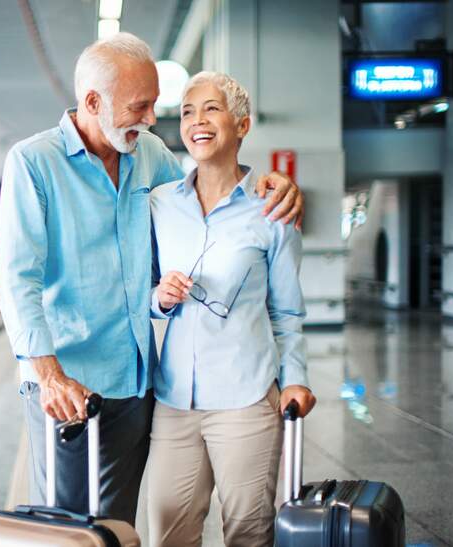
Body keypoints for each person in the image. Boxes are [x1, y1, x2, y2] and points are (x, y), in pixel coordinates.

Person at [0, 34, 303, 524]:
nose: (151, 118)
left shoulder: (151, 154)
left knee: (119, 523)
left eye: (154, 105)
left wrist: (271, 185)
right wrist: (48, 375)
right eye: (139, 106)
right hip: (69, 385)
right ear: (93, 102)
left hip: (138, 382)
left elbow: (205, 205)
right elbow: (17, 279)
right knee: (67, 525)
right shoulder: (34, 163)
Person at [145, 71, 317, 546]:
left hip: (246, 399)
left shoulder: (272, 209)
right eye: (187, 112)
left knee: (248, 533)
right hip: (174, 400)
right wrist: (159, 298)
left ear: (242, 125)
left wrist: (296, 379)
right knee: (168, 534)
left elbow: (287, 311)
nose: (197, 121)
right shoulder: (160, 204)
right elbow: (141, 292)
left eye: (211, 109)